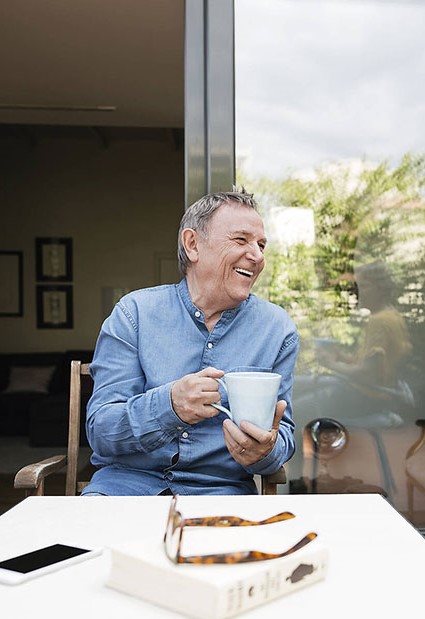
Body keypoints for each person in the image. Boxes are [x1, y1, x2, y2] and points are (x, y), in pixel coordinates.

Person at [81, 189, 299, 496]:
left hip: (222, 494)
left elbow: (282, 436)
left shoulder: (277, 330)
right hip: (124, 489)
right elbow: (102, 431)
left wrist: (265, 451)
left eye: (261, 245)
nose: (258, 256)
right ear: (192, 244)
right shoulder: (134, 314)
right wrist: (169, 406)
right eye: (241, 240)